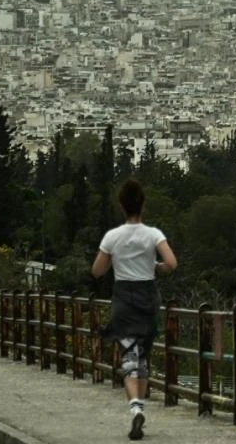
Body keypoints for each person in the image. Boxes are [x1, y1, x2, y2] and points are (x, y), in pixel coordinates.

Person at [92, 179, 177, 441]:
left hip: (124, 299)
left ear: (121, 206)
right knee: (143, 358)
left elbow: (97, 271)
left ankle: (135, 409)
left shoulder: (112, 237)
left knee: (129, 358)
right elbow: (171, 263)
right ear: (143, 205)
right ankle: (140, 407)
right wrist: (155, 267)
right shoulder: (153, 235)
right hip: (147, 298)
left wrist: (116, 260)